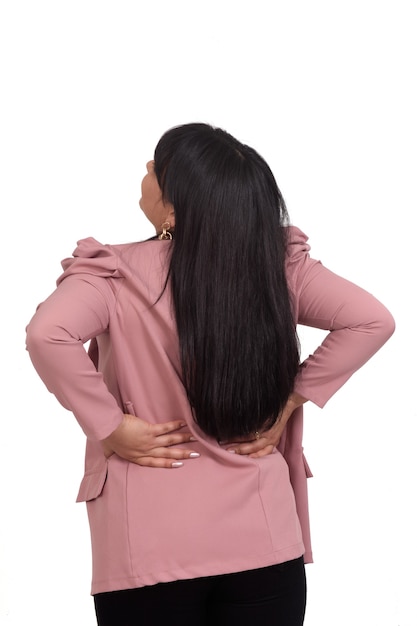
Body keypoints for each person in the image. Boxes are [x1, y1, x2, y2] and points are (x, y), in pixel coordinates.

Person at [26, 122, 395, 626]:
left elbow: (48, 333)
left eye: (156, 168)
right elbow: (372, 320)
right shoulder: (277, 265)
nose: (146, 172)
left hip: (149, 550)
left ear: (174, 208)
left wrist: (111, 426)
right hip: (264, 541)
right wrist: (291, 400)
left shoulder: (112, 274)